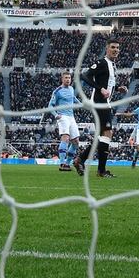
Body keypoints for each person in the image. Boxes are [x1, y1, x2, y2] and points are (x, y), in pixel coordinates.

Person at [75, 39, 127, 178]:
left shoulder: (112, 65)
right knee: (108, 133)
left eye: (117, 47)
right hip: (99, 103)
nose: (116, 50)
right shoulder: (102, 62)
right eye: (113, 47)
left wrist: (118, 89)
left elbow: (107, 84)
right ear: (107, 49)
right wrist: (100, 88)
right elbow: (84, 76)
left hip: (105, 102)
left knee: (102, 137)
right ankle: (101, 170)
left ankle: (80, 160)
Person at [48, 71, 80, 171]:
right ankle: (61, 163)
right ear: (62, 79)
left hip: (71, 117)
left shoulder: (71, 89)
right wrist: (56, 115)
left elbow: (73, 98)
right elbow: (50, 106)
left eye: (69, 78)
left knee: (76, 142)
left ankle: (67, 163)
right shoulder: (57, 91)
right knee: (65, 138)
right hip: (63, 117)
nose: (68, 80)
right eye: (66, 78)